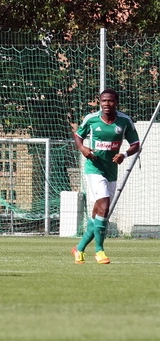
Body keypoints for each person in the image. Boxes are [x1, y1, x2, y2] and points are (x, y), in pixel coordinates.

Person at [71, 89, 140, 265]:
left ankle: (78, 249)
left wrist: (124, 154)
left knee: (99, 213)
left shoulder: (124, 121)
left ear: (116, 102)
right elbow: (78, 136)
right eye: (103, 101)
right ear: (99, 102)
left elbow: (135, 144)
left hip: (111, 171)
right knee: (104, 204)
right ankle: (99, 251)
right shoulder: (91, 119)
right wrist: (84, 149)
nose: (106, 104)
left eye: (110, 101)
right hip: (94, 168)